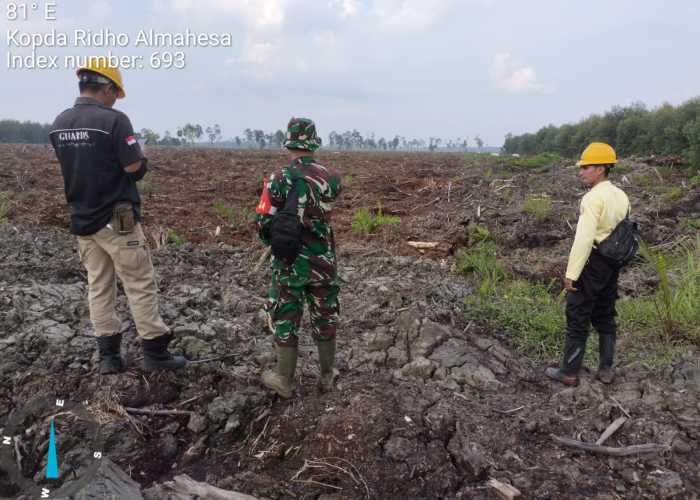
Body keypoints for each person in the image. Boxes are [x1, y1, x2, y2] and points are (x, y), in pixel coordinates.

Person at [49, 57, 186, 374]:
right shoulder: (114, 120)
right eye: (115, 92)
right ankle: (155, 351)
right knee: (139, 282)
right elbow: (133, 168)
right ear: (106, 87)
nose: (115, 99)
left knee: (98, 286)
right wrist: (143, 157)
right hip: (117, 219)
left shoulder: (59, 123)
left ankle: (109, 356)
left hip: (83, 219)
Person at [255, 117, 342, 398]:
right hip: (323, 260)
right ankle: (327, 376)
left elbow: (262, 220)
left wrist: (274, 243)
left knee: (286, 317)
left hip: (289, 262)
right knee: (325, 315)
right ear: (314, 143)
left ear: (289, 143)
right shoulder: (331, 178)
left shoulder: (278, 178)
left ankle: (284, 380)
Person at [546, 142, 630, 386]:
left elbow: (583, 239)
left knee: (578, 315)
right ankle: (605, 369)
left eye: (586, 167)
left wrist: (571, 274)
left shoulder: (592, 199)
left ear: (601, 169)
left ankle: (569, 372)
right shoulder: (621, 196)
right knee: (605, 314)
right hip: (612, 264)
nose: (581, 172)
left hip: (592, 263)